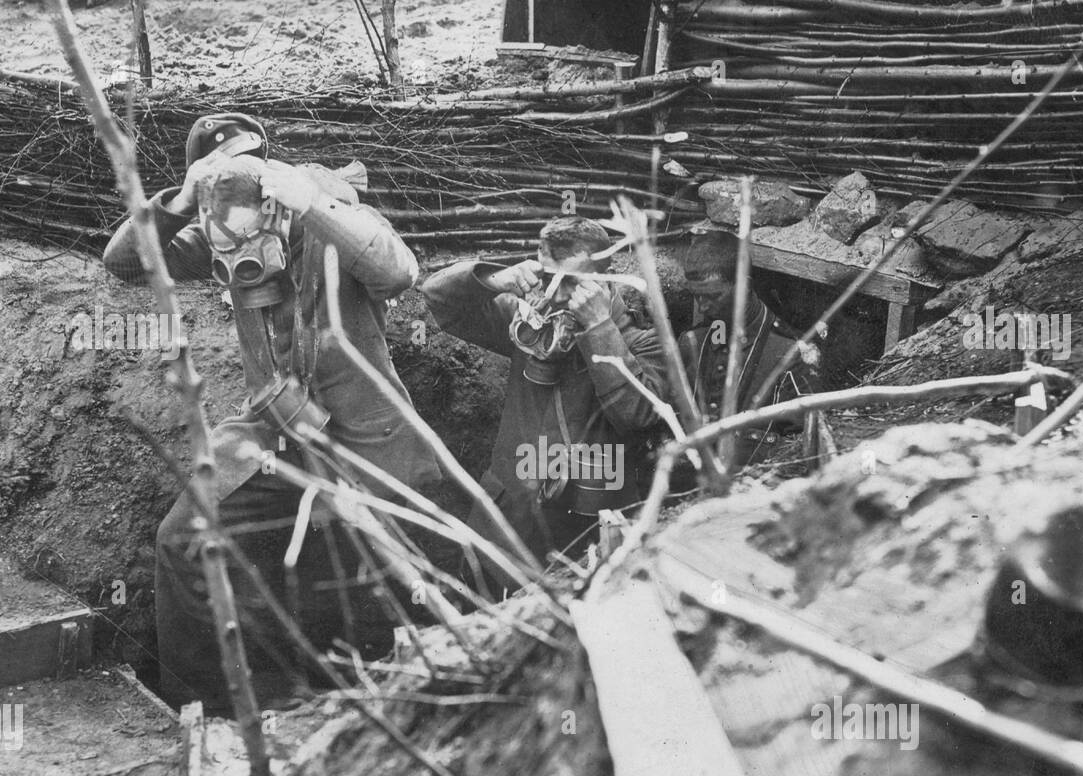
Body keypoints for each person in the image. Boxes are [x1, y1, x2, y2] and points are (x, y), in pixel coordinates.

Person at [103, 112, 440, 710]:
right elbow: (123, 264)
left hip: (367, 430)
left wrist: (310, 204)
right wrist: (178, 204)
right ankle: (211, 706)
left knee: (387, 585)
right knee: (182, 539)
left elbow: (400, 273)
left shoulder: (326, 218)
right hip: (274, 427)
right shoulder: (213, 224)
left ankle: (396, 714)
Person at [419, 216, 668, 579]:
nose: (559, 295)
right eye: (551, 280)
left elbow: (637, 415)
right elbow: (438, 297)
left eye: (574, 283)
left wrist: (599, 327)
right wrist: (493, 279)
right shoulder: (531, 326)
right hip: (512, 518)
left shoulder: (640, 341)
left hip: (587, 525)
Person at [678, 229, 811, 471]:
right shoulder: (694, 341)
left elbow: (797, 455)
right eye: (696, 296)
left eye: (713, 296)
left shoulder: (791, 355)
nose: (703, 306)